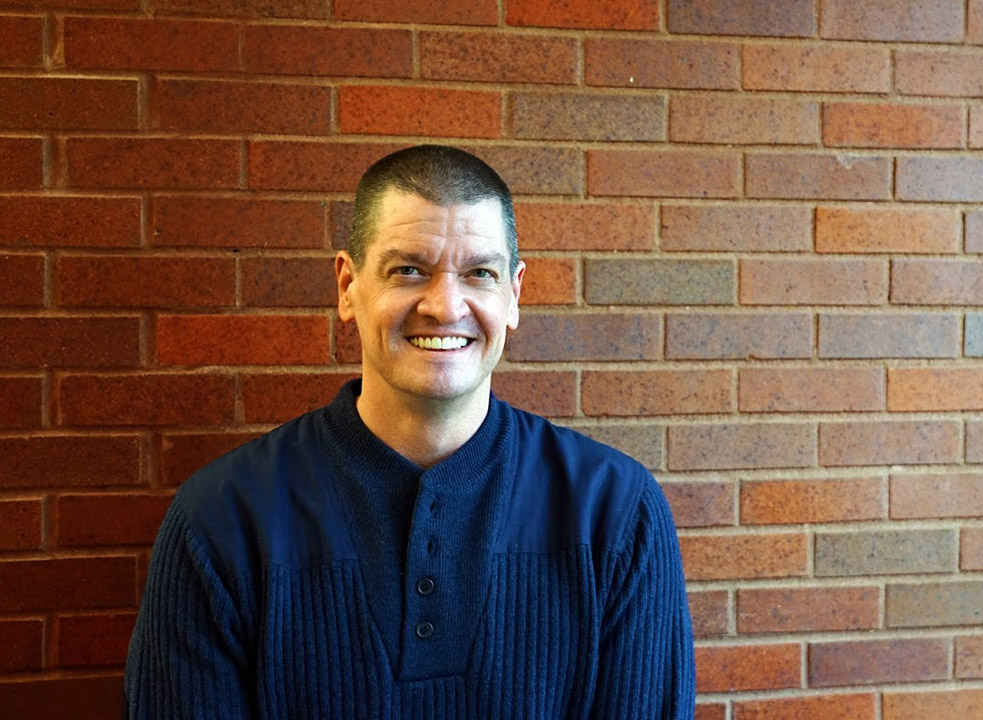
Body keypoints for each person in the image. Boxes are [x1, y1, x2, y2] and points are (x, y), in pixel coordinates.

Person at [125, 145, 695, 718]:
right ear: (348, 286)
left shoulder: (617, 514)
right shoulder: (221, 519)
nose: (445, 306)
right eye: (409, 270)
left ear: (514, 294)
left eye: (480, 273)